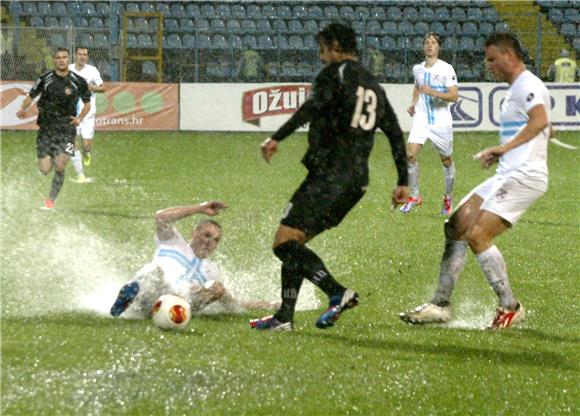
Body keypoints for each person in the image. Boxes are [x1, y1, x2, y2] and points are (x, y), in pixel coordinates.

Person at [250, 23, 409, 332]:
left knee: (283, 244)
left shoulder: (334, 74)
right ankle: (284, 317)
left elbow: (312, 106)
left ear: (335, 47)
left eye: (322, 49)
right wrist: (403, 181)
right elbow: (393, 132)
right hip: (356, 182)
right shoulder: (374, 87)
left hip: (330, 175)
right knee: (295, 244)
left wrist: (276, 137)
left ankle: (337, 292)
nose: (321, 57)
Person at [400, 33, 551, 330]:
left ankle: (510, 306)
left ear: (509, 56)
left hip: (526, 176)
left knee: (478, 234)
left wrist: (503, 148)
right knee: (456, 225)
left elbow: (540, 120)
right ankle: (440, 304)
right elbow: (542, 124)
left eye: (492, 59)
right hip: (508, 172)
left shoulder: (529, 85)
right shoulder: (516, 88)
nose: (489, 65)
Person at [110, 201, 276, 318]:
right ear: (194, 232)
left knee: (217, 288)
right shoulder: (173, 242)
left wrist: (267, 304)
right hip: (151, 294)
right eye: (207, 235)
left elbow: (232, 304)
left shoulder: (212, 271)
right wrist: (200, 208)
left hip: (180, 303)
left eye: (216, 240)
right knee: (156, 271)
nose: (210, 242)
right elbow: (161, 217)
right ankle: (128, 299)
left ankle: (176, 310)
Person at [16, 47, 91, 210]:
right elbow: (31, 96)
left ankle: (50, 200)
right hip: (46, 128)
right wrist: (23, 109)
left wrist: (80, 118)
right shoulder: (45, 78)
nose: (61, 60)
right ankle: (46, 162)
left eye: (64, 57)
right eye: (58, 57)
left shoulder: (78, 81)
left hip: (67, 129)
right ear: (54, 60)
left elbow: (87, 104)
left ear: (68, 59)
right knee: (45, 168)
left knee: (61, 164)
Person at [401, 32, 459, 215]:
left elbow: (454, 96)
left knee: (446, 160)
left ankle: (448, 198)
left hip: (441, 122)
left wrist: (432, 92)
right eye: (426, 42)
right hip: (422, 120)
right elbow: (418, 86)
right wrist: (413, 103)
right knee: (409, 154)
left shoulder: (446, 69)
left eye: (433, 42)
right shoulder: (417, 69)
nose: (429, 45)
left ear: (438, 47)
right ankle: (415, 196)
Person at [68, 46, 105, 183]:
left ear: (87, 57)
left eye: (85, 54)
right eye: (80, 54)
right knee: (73, 141)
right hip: (72, 110)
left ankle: (87, 153)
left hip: (88, 110)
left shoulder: (92, 71)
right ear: (75, 55)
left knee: (86, 144)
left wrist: (93, 87)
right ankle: (80, 174)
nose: (82, 57)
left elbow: (103, 88)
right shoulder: (68, 69)